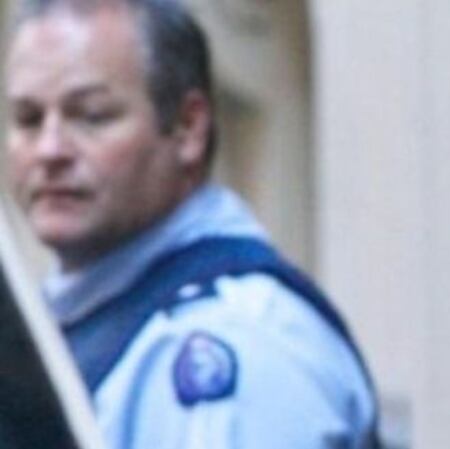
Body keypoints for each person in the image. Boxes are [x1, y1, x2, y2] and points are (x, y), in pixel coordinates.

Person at [3, 0, 380, 448]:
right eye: (28, 120)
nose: (49, 150)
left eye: (91, 115)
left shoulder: (236, 343)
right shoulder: (69, 318)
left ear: (188, 128)